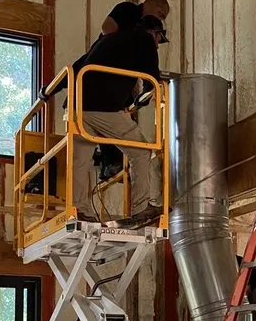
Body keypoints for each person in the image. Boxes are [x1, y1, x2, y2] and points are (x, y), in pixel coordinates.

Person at [43, 15, 168, 227]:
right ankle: (140, 209)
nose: (156, 46)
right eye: (159, 40)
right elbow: (152, 80)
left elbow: (74, 68)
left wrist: (46, 92)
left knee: (81, 161)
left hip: (76, 107)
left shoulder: (106, 40)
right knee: (141, 151)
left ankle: (80, 211)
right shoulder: (143, 39)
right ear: (153, 32)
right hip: (102, 107)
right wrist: (144, 98)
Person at [97, 0, 170, 179]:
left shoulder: (140, 34)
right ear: (150, 4)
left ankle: (113, 163)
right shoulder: (127, 10)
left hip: (119, 76)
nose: (160, 18)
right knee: (113, 115)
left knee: (120, 116)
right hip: (107, 70)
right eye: (160, 13)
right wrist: (123, 44)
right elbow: (106, 28)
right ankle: (112, 162)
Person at [101, 0, 170, 36]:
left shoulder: (146, 25)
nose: (160, 20)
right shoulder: (128, 8)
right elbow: (107, 28)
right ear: (152, 4)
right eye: (160, 14)